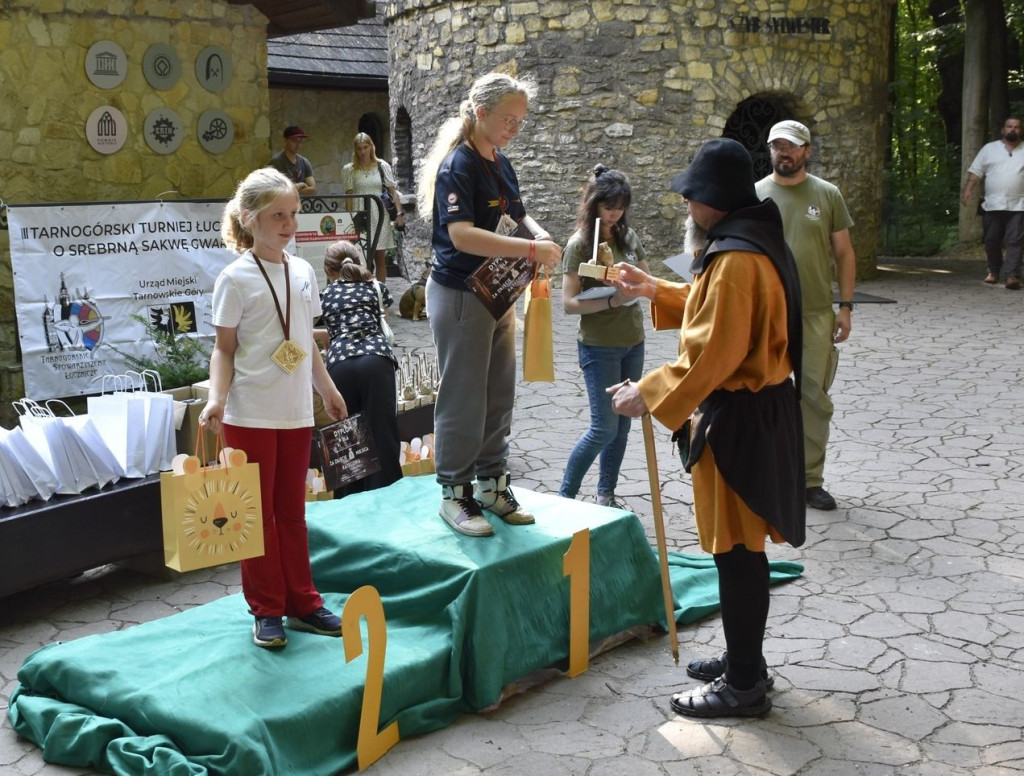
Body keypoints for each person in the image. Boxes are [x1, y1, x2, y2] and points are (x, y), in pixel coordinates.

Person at [608, 138, 805, 719]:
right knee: (736, 551)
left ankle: (744, 683)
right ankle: (746, 657)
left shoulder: (737, 259)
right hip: (755, 413)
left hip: (741, 419)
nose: (687, 207)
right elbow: (715, 306)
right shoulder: (749, 242)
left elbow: (713, 353)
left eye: (692, 197)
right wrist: (654, 289)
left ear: (713, 201)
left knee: (737, 553)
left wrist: (646, 392)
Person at [200, 167, 347, 650]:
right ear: (249, 219)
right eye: (277, 215)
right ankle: (266, 609)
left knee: (292, 512)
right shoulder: (234, 277)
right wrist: (216, 400)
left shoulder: (303, 271)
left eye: (292, 214)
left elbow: (304, 342)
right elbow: (224, 349)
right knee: (256, 516)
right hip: (249, 413)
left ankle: (304, 602)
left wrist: (325, 388)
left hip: (295, 413)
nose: (288, 224)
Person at [416, 71, 561, 537]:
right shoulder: (458, 165)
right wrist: (532, 250)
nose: (514, 129)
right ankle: (454, 495)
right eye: (508, 120)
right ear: (481, 112)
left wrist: (538, 235)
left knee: (499, 393)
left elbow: (517, 214)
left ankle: (492, 484)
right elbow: (461, 235)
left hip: (498, 293)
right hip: (461, 293)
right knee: (464, 398)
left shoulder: (500, 160)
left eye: (520, 122)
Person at [755, 120, 855, 512]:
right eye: (777, 145)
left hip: (815, 314)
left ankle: (810, 480)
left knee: (813, 398)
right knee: (762, 394)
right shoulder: (755, 195)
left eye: (792, 146)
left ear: (807, 151)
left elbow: (844, 254)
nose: (784, 152)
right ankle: (767, 474)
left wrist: (845, 307)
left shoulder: (827, 195)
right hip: (767, 314)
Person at [558, 164, 649, 508]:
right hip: (599, 347)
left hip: (633, 341)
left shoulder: (628, 237)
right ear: (594, 204)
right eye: (609, 206)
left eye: (621, 207)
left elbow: (647, 282)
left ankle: (605, 497)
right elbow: (568, 303)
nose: (615, 214)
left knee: (622, 427)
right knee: (603, 429)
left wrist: (633, 284)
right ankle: (565, 498)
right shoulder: (579, 245)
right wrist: (610, 298)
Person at [318, 240, 403, 494]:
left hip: (340, 365)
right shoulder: (376, 287)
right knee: (382, 435)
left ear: (328, 271)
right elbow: (382, 318)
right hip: (376, 361)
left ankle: (350, 502)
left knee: (346, 440)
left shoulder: (325, 296)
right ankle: (387, 498)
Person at [961, 117, 1024, 290]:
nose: (1013, 130)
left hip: (1019, 205)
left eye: (1017, 127)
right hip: (993, 204)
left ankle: (1012, 275)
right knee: (991, 240)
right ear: (1003, 129)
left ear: (1021, 130)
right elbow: (976, 172)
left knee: (1015, 241)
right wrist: (968, 190)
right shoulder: (990, 149)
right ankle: (994, 271)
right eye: (1009, 126)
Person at [342, 133, 406, 284]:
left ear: (371, 147)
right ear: (355, 150)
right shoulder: (349, 169)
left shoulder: (382, 166)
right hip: (359, 216)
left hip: (379, 215)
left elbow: (393, 192)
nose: (362, 152)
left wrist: (399, 213)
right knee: (358, 258)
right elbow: (349, 197)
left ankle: (381, 296)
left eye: (365, 147)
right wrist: (348, 219)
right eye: (359, 148)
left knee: (380, 260)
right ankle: (361, 294)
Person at [269, 125, 316, 195]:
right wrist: (299, 187)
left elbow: (312, 188)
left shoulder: (304, 162)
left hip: (302, 204)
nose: (297, 144)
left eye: (300, 141)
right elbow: (273, 189)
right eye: (294, 141)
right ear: (285, 141)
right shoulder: (276, 162)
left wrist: (290, 190)